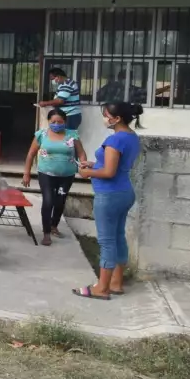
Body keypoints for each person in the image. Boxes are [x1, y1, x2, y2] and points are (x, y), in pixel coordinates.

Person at [74, 102, 143, 300]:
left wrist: (87, 173)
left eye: (105, 115)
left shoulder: (115, 140)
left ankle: (101, 288)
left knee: (106, 242)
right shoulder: (131, 137)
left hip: (109, 195)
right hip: (124, 192)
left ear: (117, 118)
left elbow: (108, 172)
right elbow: (114, 166)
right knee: (118, 237)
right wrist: (94, 164)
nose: (104, 118)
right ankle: (116, 283)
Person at [22, 109, 87, 246]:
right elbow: (30, 154)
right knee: (48, 201)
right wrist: (26, 173)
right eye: (53, 122)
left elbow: (81, 153)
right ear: (48, 122)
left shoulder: (72, 135)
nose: (56, 124)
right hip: (46, 174)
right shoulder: (42, 135)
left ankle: (54, 226)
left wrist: (83, 167)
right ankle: (46, 233)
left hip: (67, 175)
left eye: (60, 122)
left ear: (65, 122)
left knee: (60, 201)